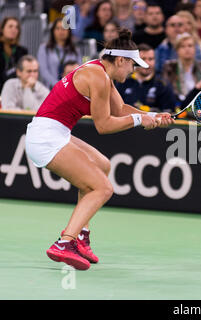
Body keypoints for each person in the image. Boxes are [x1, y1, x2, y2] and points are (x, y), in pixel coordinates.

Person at [25, 28, 173, 271]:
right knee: (103, 188)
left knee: (103, 165)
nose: (133, 70)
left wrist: (153, 116)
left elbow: (120, 109)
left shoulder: (100, 70)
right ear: (121, 60)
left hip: (54, 132)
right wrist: (140, 121)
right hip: (46, 137)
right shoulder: (98, 77)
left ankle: (81, 235)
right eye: (132, 65)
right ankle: (65, 242)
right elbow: (104, 125)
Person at [115, 43, 176, 112]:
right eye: (143, 59)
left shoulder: (163, 84)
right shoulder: (123, 82)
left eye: (151, 59)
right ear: (135, 61)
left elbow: (169, 112)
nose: (147, 63)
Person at [37, 18, 82, 89]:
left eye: (64, 28)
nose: (61, 31)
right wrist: (58, 85)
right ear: (53, 31)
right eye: (58, 28)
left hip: (71, 88)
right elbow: (44, 71)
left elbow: (79, 70)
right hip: (49, 89)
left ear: (69, 31)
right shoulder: (44, 48)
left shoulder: (75, 50)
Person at [161, 33, 201, 104]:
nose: (187, 49)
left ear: (195, 48)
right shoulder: (169, 67)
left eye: (190, 46)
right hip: (177, 103)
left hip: (199, 103)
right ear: (177, 50)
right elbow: (168, 90)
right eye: (182, 46)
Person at [0, 17, 28, 92]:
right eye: (10, 26)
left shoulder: (23, 51)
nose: (14, 30)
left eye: (16, 27)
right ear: (2, 29)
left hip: (16, 91)